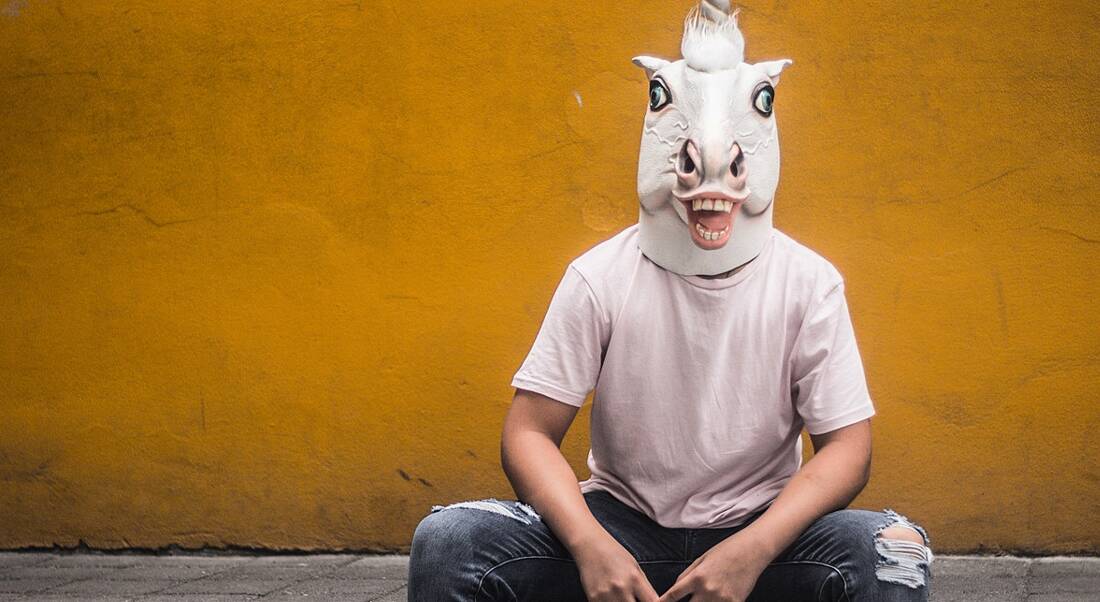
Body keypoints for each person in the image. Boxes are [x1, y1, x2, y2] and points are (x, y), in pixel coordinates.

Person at [408, 2, 934, 600]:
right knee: (449, 541)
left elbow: (848, 447)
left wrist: (751, 551)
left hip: (762, 533)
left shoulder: (810, 282)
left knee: (893, 551)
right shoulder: (599, 276)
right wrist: (590, 546)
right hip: (619, 526)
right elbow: (528, 433)